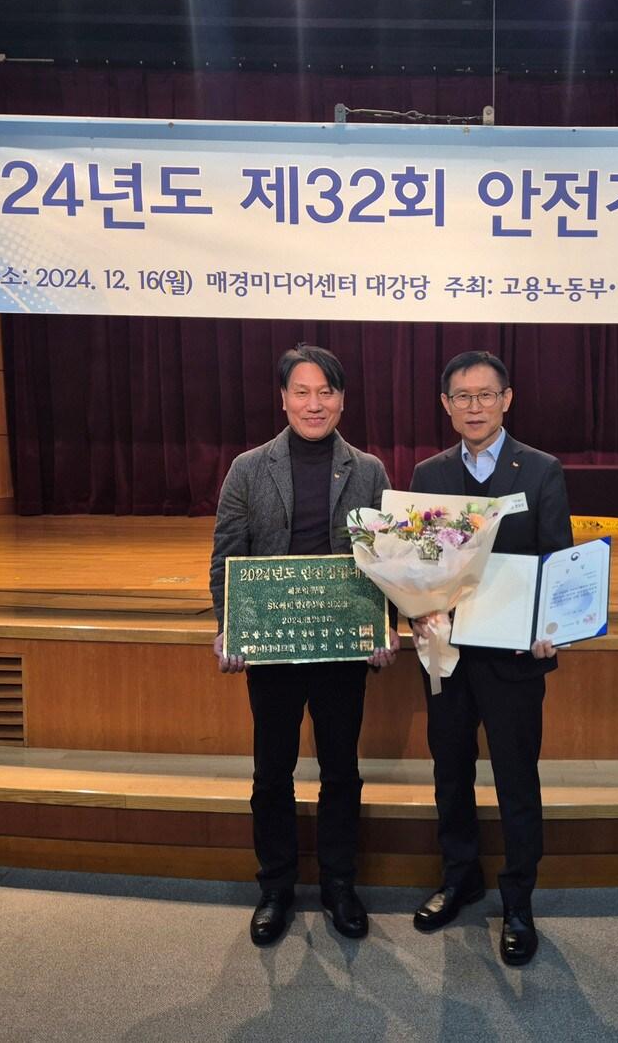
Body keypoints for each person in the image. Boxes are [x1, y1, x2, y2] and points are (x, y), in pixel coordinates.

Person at [209, 345, 396, 947]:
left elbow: (386, 561)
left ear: (342, 400)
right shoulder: (247, 468)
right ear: (283, 399)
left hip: (342, 649)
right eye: (302, 392)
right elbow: (227, 557)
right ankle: (276, 887)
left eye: (326, 392)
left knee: (342, 770)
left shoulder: (369, 470)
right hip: (273, 646)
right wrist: (231, 626)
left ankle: (340, 884)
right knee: (272, 772)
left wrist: (384, 625)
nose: (314, 404)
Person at [408, 350, 572, 967]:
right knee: (450, 773)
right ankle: (459, 879)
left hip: (515, 658)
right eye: (461, 396)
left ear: (507, 399)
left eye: (485, 395)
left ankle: (519, 903)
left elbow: (557, 559)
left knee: (515, 780)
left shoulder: (541, 470)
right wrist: (415, 608)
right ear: (446, 405)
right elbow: (416, 562)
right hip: (447, 657)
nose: (473, 407)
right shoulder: (428, 473)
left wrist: (552, 625)